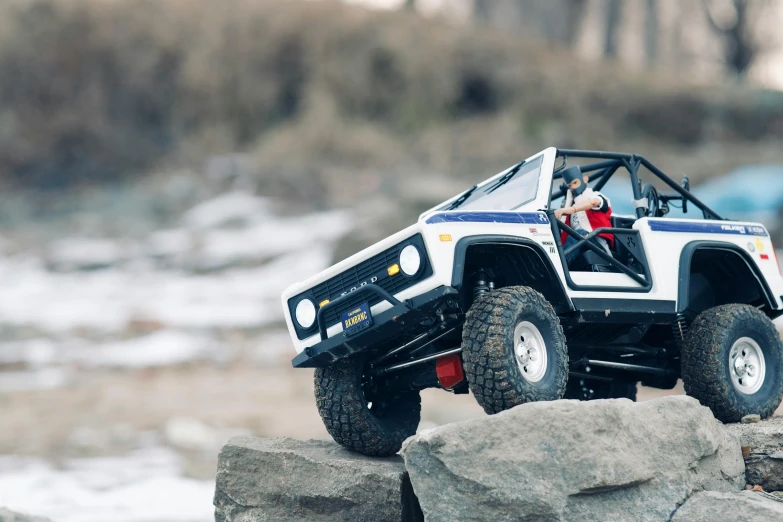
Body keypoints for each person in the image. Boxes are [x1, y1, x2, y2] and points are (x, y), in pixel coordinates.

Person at [554, 165, 614, 266]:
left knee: (580, 233)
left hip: (598, 246)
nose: (572, 187)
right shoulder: (570, 206)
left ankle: (559, 266)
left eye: (575, 183)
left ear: (585, 179)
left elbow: (593, 202)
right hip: (577, 246)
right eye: (569, 186)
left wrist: (571, 209)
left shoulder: (596, 195)